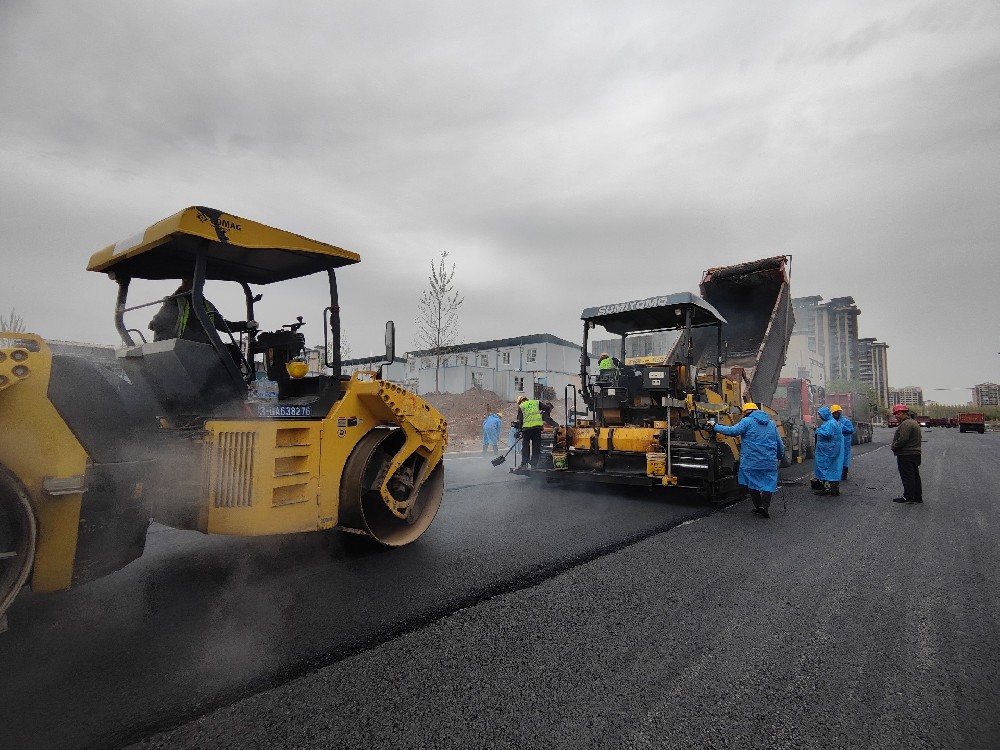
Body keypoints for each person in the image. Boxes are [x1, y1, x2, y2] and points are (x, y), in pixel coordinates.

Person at [713, 402, 785, 518]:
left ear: (746, 412)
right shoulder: (771, 424)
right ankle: (764, 506)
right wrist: (780, 456)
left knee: (751, 481)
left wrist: (715, 426)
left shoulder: (747, 421)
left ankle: (758, 506)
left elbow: (733, 431)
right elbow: (780, 444)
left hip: (751, 461)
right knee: (769, 483)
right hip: (769, 461)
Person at [149, 277, 248, 344]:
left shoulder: (207, 306)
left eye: (192, 282)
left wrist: (246, 325)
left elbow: (223, 325)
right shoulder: (173, 301)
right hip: (181, 349)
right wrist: (154, 323)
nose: (188, 284)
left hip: (204, 348)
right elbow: (159, 323)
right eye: (186, 281)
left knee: (231, 353)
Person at [890, 404, 923, 504]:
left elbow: (903, 439)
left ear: (905, 413)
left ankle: (908, 497)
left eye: (899, 414)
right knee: (914, 476)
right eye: (895, 414)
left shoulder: (906, 424)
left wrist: (894, 446)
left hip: (906, 454)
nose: (896, 416)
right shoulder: (913, 422)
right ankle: (917, 497)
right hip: (914, 453)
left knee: (908, 476)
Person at [515, 395, 553, 469]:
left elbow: (520, 420)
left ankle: (524, 464)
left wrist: (520, 431)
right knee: (536, 447)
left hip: (527, 429)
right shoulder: (536, 402)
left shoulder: (521, 406)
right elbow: (547, 408)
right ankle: (534, 465)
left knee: (526, 446)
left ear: (520, 402)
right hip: (537, 428)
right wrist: (548, 407)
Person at [813, 405, 843, 496]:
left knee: (826, 469)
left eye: (820, 414)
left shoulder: (831, 423)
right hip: (827, 450)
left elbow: (827, 433)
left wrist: (816, 430)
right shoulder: (829, 422)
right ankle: (828, 489)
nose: (820, 416)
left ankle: (830, 489)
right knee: (828, 469)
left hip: (827, 451)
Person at [830, 404, 855, 481]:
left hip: (845, 444)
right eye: (834, 413)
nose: (836, 414)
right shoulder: (831, 422)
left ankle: (844, 475)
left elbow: (851, 430)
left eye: (837, 413)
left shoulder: (845, 421)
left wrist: (841, 426)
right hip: (834, 444)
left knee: (844, 458)